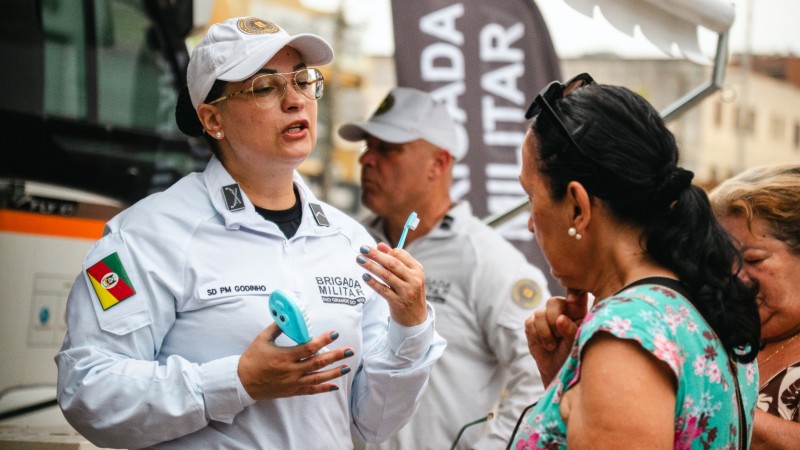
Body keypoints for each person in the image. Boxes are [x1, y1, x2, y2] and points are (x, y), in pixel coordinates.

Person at [54, 17, 446, 449]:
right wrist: (236, 381)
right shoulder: (147, 235)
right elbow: (89, 391)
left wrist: (410, 327)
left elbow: (373, 422)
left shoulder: (350, 242)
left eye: (303, 81)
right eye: (265, 87)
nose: (295, 101)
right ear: (212, 119)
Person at [513, 73, 762, 449]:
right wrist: (569, 376)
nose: (531, 223)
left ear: (578, 207)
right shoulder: (704, 303)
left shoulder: (625, 336)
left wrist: (603, 366)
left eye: (531, 197)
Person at [338, 87, 551, 449]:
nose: (367, 160)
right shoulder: (346, 244)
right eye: (368, 147)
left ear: (438, 164)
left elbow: (539, 378)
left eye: (387, 149)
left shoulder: (487, 259)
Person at [708, 163, 800, 449]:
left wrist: (709, 405)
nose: (734, 277)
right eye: (722, 262)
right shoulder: (714, 333)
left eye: (753, 259)